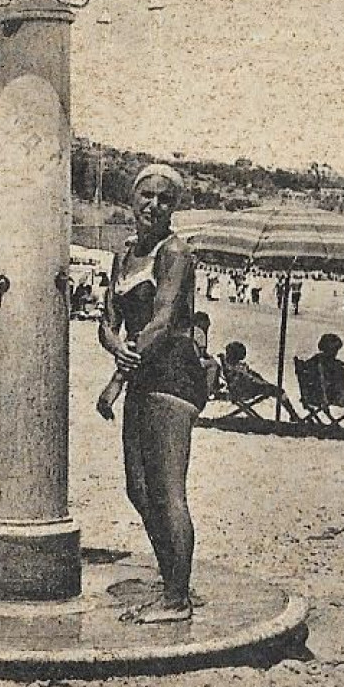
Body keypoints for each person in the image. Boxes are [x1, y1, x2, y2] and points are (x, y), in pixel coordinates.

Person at [98, 164, 209, 623]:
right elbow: (107, 319)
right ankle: (171, 581)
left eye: (165, 199)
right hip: (141, 372)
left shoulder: (175, 252)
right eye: (147, 196)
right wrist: (114, 346)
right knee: (138, 489)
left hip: (173, 375)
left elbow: (163, 320)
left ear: (174, 207)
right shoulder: (124, 254)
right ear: (133, 199)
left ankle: (177, 599)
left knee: (167, 491)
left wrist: (117, 377)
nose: (154, 206)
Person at [220, 341, 299, 416]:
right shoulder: (235, 368)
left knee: (278, 391)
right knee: (280, 392)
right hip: (248, 390)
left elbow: (250, 376)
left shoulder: (232, 366)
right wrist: (263, 383)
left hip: (249, 388)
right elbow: (248, 378)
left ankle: (293, 415)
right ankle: (293, 415)